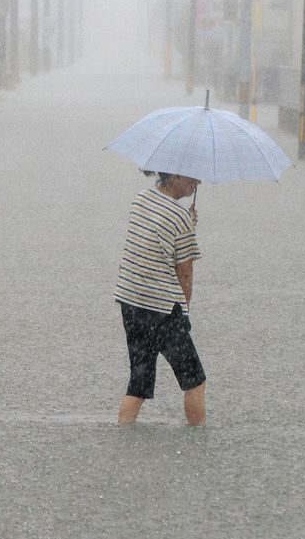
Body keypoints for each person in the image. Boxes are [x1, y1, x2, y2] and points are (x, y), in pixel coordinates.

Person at [113, 170, 206, 426]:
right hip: (162, 309)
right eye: (192, 177)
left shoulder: (140, 199)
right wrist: (184, 311)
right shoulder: (179, 217)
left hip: (131, 300)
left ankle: (124, 437)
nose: (197, 181)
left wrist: (186, 226)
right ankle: (197, 443)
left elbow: (153, 241)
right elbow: (184, 273)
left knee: (139, 381)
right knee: (195, 380)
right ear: (175, 175)